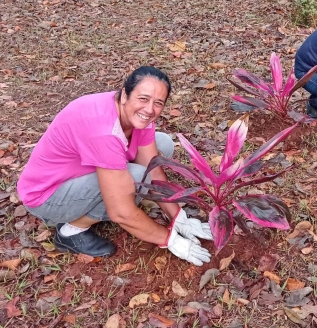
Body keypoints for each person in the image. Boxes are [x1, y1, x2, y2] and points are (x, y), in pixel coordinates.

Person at [17, 67, 213, 263]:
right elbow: (121, 212)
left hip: (83, 169)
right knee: (137, 178)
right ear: (125, 94)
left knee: (163, 144)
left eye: (158, 103)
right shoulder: (104, 130)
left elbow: (153, 168)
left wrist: (179, 218)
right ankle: (71, 230)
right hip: (47, 197)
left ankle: (110, 192)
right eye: (143, 99)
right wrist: (170, 239)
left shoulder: (135, 113)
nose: (149, 109)